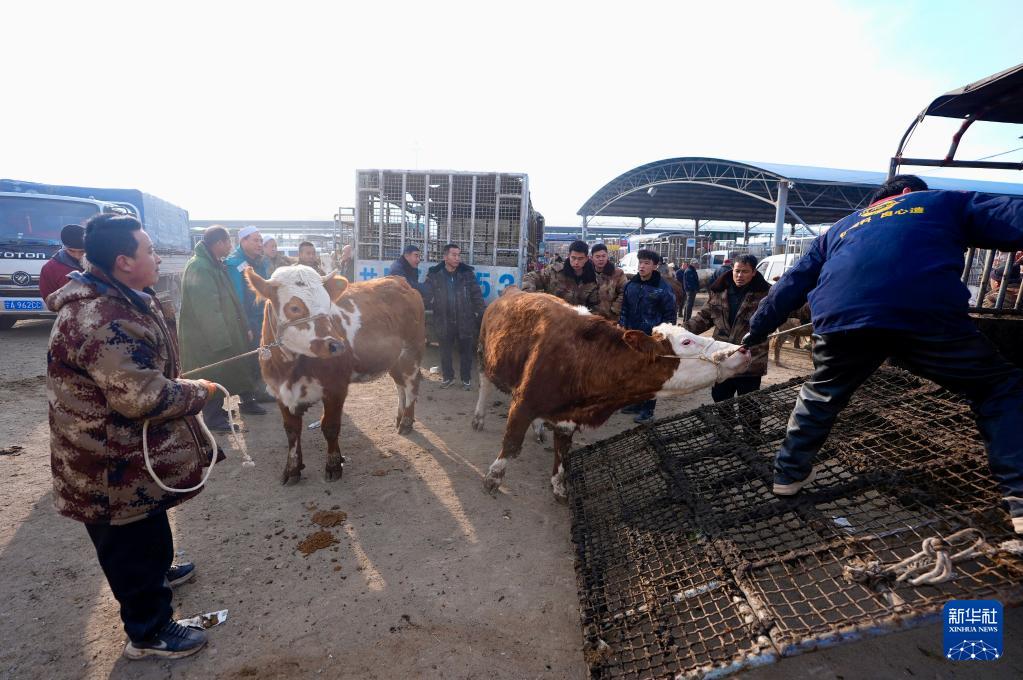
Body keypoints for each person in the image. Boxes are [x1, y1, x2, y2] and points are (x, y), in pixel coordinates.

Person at [743, 175, 1023, 535]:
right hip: (924, 313)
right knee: (998, 388)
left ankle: (787, 474)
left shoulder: (841, 227)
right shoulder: (941, 201)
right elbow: (1012, 214)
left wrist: (757, 329)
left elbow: (791, 283)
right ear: (908, 192)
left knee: (821, 394)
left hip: (841, 319)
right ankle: (1019, 495)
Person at [47, 213, 217, 659]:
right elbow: (141, 396)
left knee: (148, 524)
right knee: (128, 544)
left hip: (129, 455)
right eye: (150, 251)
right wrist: (200, 392)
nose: (158, 258)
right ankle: (149, 632)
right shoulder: (101, 319)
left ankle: (158, 573)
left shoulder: (123, 299)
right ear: (124, 261)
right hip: (106, 465)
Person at [178, 226, 261, 430]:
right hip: (207, 336)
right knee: (212, 372)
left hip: (222, 331)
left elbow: (230, 299)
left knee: (222, 373)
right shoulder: (200, 267)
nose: (231, 246)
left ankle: (218, 412)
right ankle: (213, 418)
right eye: (228, 242)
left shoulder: (213, 264)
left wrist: (242, 326)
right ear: (219, 243)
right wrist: (221, 340)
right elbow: (207, 308)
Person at [684, 254, 771, 402]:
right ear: (732, 269)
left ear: (754, 272)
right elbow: (704, 318)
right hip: (723, 359)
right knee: (720, 400)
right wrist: (679, 332)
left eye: (745, 271)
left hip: (750, 361)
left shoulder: (766, 294)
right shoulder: (719, 291)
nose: (740, 275)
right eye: (737, 271)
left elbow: (789, 308)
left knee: (749, 405)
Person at [619, 249, 677, 423]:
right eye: (640, 262)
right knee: (635, 372)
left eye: (646, 263)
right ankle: (637, 404)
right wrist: (622, 327)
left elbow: (670, 315)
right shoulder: (631, 285)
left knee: (651, 375)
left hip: (652, 340)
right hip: (632, 338)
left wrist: (663, 337)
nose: (642, 266)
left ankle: (648, 410)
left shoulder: (663, 288)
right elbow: (624, 309)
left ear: (655, 266)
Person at [225, 226, 274, 411]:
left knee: (259, 355)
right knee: (246, 358)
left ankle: (260, 391)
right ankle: (246, 399)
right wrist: (244, 324)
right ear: (243, 241)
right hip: (246, 319)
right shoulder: (235, 263)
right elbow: (237, 298)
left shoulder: (259, 261)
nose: (260, 244)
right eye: (255, 240)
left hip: (261, 317)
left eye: (261, 240)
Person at [424, 244, 486, 390]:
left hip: (464, 319)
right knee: (445, 352)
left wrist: (482, 313)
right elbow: (426, 295)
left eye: (459, 255)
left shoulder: (467, 273)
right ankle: (448, 378)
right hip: (444, 320)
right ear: (445, 257)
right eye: (454, 255)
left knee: (466, 352)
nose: (457, 258)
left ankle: (466, 379)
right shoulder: (435, 274)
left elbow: (476, 294)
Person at [521, 240, 600, 311]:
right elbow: (530, 277)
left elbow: (595, 307)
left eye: (580, 259)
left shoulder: (592, 279)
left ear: (586, 258)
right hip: (552, 317)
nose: (576, 262)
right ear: (569, 256)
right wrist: (529, 297)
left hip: (578, 320)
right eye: (573, 258)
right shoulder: (554, 272)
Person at [40, 224, 87, 306]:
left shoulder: (101, 264)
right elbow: (50, 301)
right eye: (71, 251)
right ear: (64, 247)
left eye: (82, 251)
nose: (77, 256)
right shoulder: (50, 268)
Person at [590, 243, 626, 321]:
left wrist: (615, 309)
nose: (601, 259)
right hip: (591, 317)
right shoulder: (587, 273)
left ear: (607, 256)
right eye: (597, 256)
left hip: (611, 318)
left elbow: (624, 292)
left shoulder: (617, 273)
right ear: (592, 258)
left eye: (603, 256)